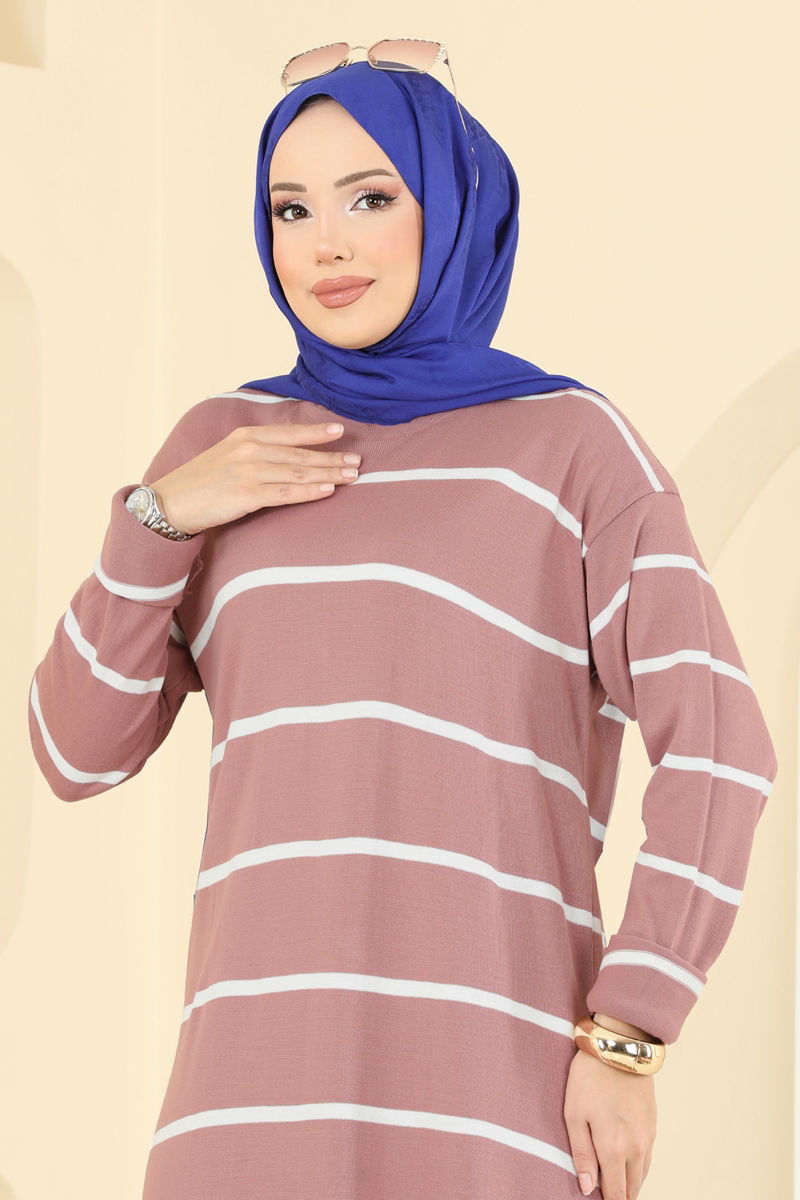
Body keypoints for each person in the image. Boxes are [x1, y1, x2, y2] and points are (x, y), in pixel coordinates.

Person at [28, 42, 779, 1200]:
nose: (323, 244)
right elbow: (75, 753)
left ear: (453, 205)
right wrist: (157, 519)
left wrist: (631, 1027)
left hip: (492, 1094)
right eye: (290, 208)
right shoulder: (225, 446)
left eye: (370, 197)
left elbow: (721, 746)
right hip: (247, 1099)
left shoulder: (568, 447)